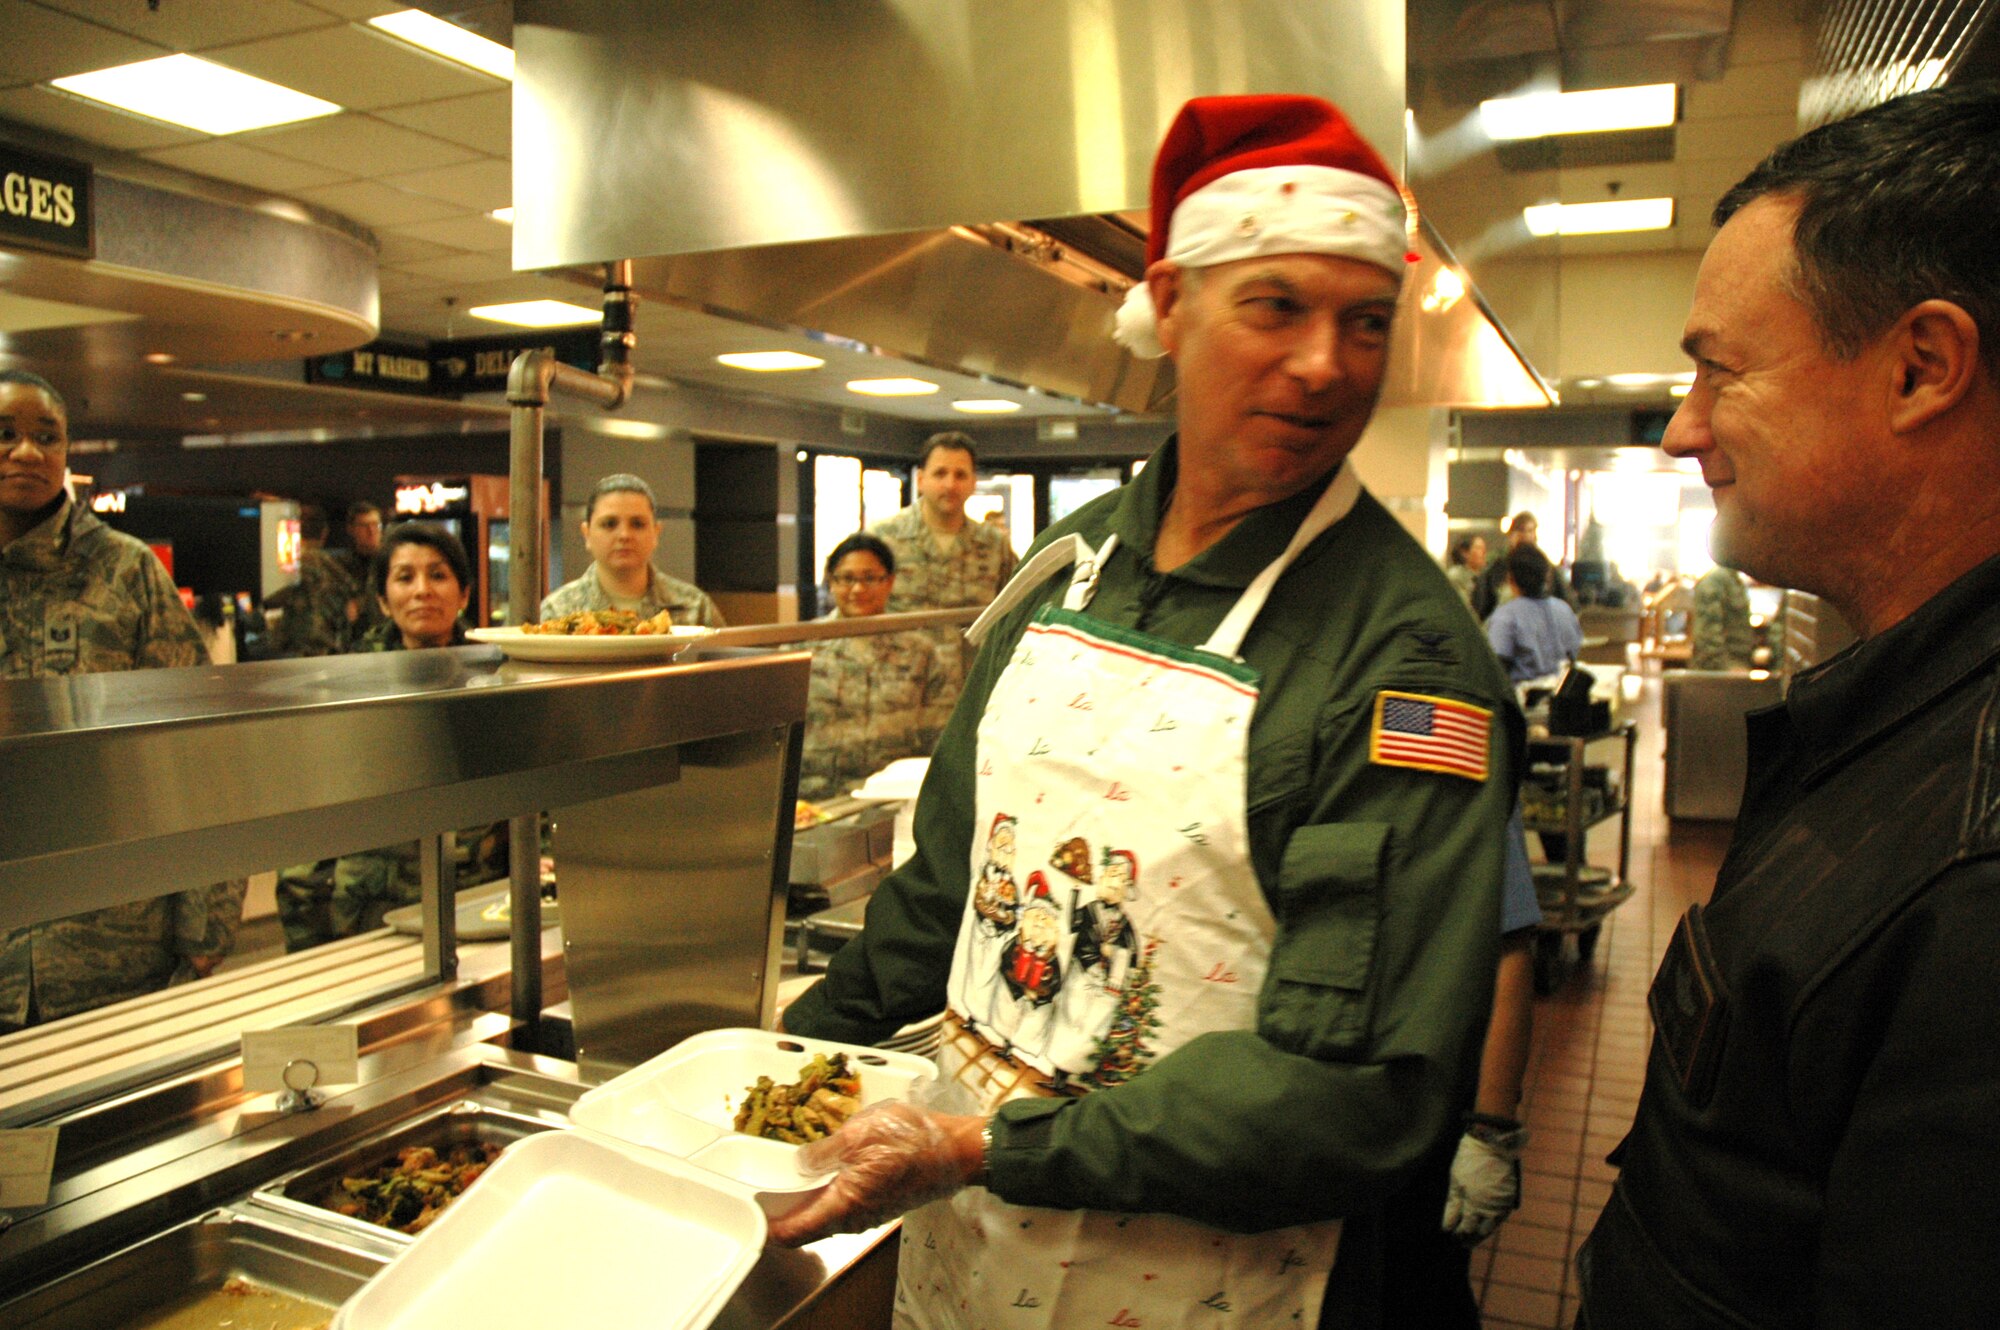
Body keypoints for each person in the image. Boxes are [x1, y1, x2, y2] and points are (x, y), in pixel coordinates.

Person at [777, 94, 1522, 1329]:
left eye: (1365, 322)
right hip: (965, 1258)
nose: (1326, 362)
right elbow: (944, 887)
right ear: (1169, 305)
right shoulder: (1067, 570)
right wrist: (777, 1073)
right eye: (1275, 305)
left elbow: (1355, 1092)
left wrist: (980, 1148)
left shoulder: (1400, 661)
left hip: (1207, 1282)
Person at [1577, 84, 2000, 1329]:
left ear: (1920, 367)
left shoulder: (1973, 863)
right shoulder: (1894, 715)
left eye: (1716, 370)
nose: (1679, 429)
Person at [0, 369, 245, 1027]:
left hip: (112, 943)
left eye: (45, 437)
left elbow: (196, 746)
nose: (26, 452)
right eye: (5, 435)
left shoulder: (126, 572)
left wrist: (206, 928)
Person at [277, 523, 502, 950]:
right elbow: (310, 822)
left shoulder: (498, 678)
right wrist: (305, 933)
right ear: (382, 600)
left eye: (438, 575)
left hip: (481, 903)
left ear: (465, 593)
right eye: (404, 577)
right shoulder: (348, 687)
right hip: (371, 914)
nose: (422, 590)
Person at [798, 532, 952, 800]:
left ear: (889, 582)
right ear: (831, 582)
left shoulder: (920, 652)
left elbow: (942, 736)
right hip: (819, 798)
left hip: (896, 796)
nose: (858, 589)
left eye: (870, 578)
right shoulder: (801, 648)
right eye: (846, 578)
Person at [869, 431, 1018, 701]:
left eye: (960, 475)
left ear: (974, 483)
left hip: (970, 694)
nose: (950, 484)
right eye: (940, 474)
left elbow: (1012, 612)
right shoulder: (882, 539)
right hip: (898, 696)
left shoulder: (994, 545)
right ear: (921, 479)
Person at [540, 473, 725, 627]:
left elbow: (726, 670)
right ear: (587, 534)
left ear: (656, 533)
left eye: (637, 524)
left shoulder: (695, 607)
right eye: (609, 524)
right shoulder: (558, 612)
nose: (624, 535)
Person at [265, 503, 359, 656]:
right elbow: (352, 614)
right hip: (332, 655)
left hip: (293, 657)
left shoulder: (286, 569)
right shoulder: (340, 571)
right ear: (324, 533)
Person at [1484, 544, 1584, 683]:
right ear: (1547, 576)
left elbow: (1496, 670)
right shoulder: (1564, 610)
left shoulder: (1506, 616)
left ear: (1511, 578)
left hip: (1523, 699)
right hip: (1560, 695)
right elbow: (1573, 653)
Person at [1473, 511, 1574, 619]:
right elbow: (1482, 607)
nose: (1525, 535)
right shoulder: (1496, 568)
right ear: (1511, 535)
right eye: (1520, 530)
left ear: (1535, 535)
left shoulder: (1547, 568)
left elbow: (1567, 602)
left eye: (1530, 531)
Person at [332, 500, 386, 638]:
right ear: (351, 530)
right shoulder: (339, 567)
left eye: (376, 525)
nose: (371, 531)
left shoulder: (391, 562)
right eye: (364, 526)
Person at [1688, 563, 1755, 669]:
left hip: (1736, 663)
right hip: (1720, 669)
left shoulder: (1733, 580)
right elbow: (1707, 635)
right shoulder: (1714, 582)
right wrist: (1727, 668)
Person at [1444, 532, 1486, 606]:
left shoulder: (1483, 577)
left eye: (1484, 548)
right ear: (1465, 553)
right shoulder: (1455, 576)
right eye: (1479, 548)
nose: (1483, 552)